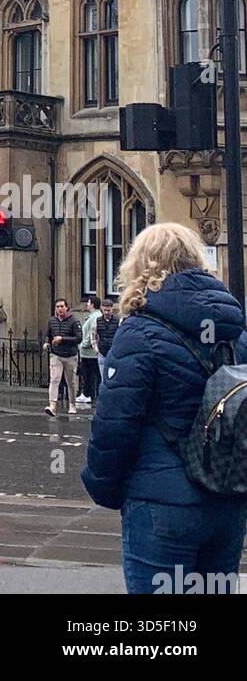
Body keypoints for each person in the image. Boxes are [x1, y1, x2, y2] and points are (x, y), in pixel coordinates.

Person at [82, 222, 247, 595]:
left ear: (142, 266)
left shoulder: (139, 331)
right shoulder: (234, 329)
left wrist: (105, 489)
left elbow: (114, 425)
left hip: (161, 503)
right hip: (227, 498)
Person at [43, 297, 81, 416]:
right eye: (58, 307)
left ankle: (72, 404)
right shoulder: (52, 321)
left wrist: (63, 339)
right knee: (55, 379)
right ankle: (52, 405)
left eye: (62, 307)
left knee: (71, 382)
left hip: (70, 355)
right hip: (56, 354)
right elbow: (48, 334)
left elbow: (78, 338)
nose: (60, 309)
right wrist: (46, 342)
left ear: (67, 308)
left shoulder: (74, 322)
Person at [77, 295, 101, 406]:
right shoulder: (93, 316)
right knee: (89, 374)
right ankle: (88, 394)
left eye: (88, 302)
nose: (87, 304)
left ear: (92, 304)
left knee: (89, 375)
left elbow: (91, 334)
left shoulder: (94, 317)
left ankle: (87, 394)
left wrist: (82, 345)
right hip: (88, 353)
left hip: (90, 353)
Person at [95, 295, 119, 381]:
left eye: (108, 310)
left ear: (112, 309)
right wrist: (96, 349)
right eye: (104, 310)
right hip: (102, 352)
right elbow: (93, 335)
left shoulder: (118, 321)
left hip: (113, 352)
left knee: (113, 378)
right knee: (103, 378)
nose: (106, 312)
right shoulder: (97, 321)